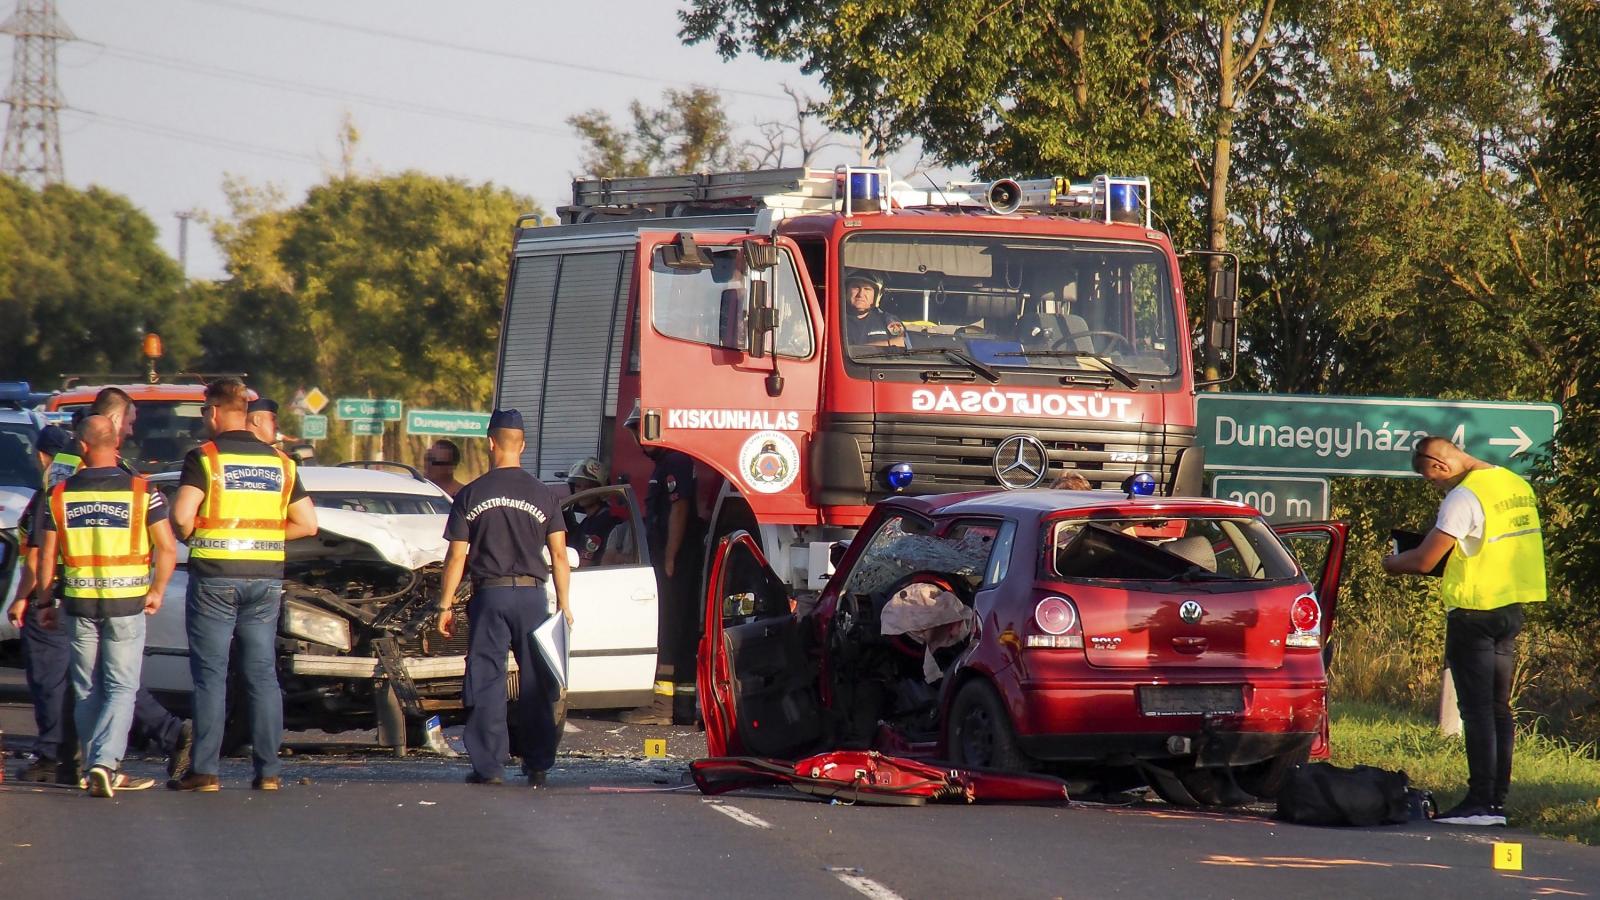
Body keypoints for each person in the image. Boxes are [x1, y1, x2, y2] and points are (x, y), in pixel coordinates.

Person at [9, 403, 194, 784]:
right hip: (126, 603)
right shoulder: (144, 491)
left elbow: (45, 557)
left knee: (86, 687)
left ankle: (93, 763)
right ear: (116, 442)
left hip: (78, 603)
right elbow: (167, 547)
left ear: (81, 445)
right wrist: (157, 590)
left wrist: (43, 602)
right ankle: (105, 763)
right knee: (121, 686)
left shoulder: (59, 494)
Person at [1383, 436, 1546, 827]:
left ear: (1439, 465)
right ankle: (1495, 803)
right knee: (1497, 709)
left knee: (1475, 711)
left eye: (1431, 480)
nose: (1436, 486)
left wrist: (1392, 562)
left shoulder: (1463, 497)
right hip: (1510, 607)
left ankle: (1478, 803)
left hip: (1473, 612)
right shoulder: (1513, 483)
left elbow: (1425, 560)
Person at [169, 377, 318, 792]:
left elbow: (182, 516)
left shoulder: (205, 458)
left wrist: (195, 536)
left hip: (216, 578)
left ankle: (205, 771)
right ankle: (268, 772)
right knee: (262, 674)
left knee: (211, 675)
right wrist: (265, 536)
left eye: (203, 411)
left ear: (214, 412)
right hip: (265, 580)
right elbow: (308, 523)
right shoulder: (282, 463)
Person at [435, 409, 572, 786]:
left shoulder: (471, 494)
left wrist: (444, 605)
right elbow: (559, 555)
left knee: (487, 679)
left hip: (490, 598)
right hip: (533, 598)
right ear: (522, 446)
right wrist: (564, 605)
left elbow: (457, 556)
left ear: (490, 443)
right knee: (536, 682)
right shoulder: (544, 495)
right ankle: (538, 764)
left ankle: (489, 766)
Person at [620, 403, 703, 726]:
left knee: (668, 631)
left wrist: (670, 556)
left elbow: (680, 508)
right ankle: (680, 708)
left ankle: (661, 707)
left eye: (639, 430)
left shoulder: (675, 461)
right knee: (677, 632)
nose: (638, 439)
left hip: (675, 564)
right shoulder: (666, 464)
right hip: (671, 561)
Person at [564, 457, 620, 565]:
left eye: (588, 487)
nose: (581, 492)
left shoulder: (605, 522)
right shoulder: (587, 522)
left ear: (601, 490)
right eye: (578, 486)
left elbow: (586, 563)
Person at [843, 269, 905, 349]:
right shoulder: (834, 320)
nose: (861, 294)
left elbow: (902, 342)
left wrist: (857, 350)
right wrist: (887, 344)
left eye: (867, 289)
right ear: (846, 291)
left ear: (874, 296)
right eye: (856, 287)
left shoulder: (889, 320)